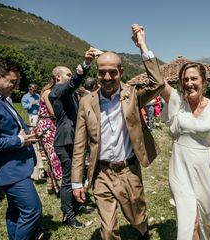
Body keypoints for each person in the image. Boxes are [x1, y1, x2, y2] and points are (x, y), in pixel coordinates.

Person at [71, 24, 164, 240]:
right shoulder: (86, 102)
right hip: (101, 173)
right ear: (97, 73)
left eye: (112, 72)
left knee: (137, 219)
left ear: (120, 72)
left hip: (128, 170)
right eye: (102, 72)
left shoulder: (132, 95)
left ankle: (143, 230)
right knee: (109, 230)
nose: (107, 77)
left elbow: (158, 83)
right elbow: (79, 145)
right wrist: (77, 182)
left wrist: (142, 45)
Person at [160, 61, 210, 239]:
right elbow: (157, 79)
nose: (189, 83)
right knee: (189, 222)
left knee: (207, 217)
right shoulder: (177, 102)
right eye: (185, 79)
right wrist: (143, 46)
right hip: (180, 169)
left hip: (205, 171)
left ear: (204, 81)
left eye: (194, 78)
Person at [0, 58, 42, 239]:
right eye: (13, 82)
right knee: (32, 210)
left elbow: (10, 129)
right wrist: (19, 141)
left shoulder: (4, 99)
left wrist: (29, 134)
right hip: (9, 171)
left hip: (16, 167)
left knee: (15, 211)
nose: (16, 87)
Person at [48, 49, 95, 228]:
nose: (70, 77)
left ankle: (77, 206)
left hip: (74, 139)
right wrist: (85, 66)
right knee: (68, 180)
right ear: (58, 76)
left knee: (78, 174)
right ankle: (68, 216)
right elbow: (71, 85)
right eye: (68, 74)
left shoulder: (68, 92)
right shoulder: (58, 90)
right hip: (65, 140)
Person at [34, 76, 62, 195]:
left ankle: (52, 187)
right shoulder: (48, 92)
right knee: (55, 157)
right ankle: (62, 187)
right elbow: (53, 112)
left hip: (48, 124)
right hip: (47, 125)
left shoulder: (48, 91)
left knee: (51, 158)